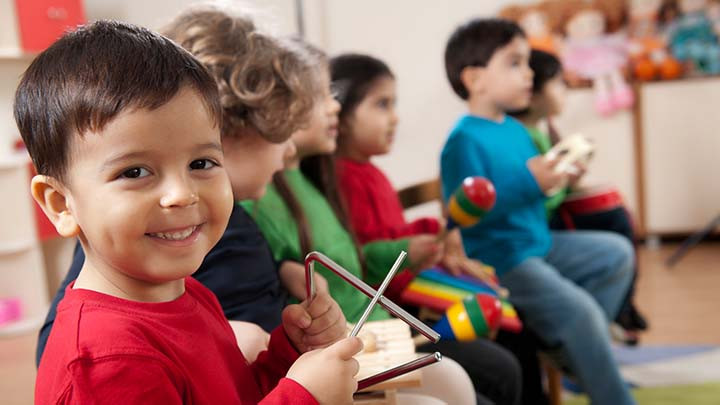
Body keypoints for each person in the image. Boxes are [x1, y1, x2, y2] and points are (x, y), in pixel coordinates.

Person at [20, 20, 358, 404]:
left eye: (201, 163)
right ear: (61, 204)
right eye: (134, 172)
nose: (181, 194)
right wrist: (303, 397)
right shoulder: (108, 363)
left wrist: (291, 356)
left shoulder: (187, 293)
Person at [245, 44, 521, 405]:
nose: (334, 107)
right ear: (273, 112)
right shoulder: (265, 198)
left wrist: (412, 247)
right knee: (494, 371)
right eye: (320, 96)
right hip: (357, 339)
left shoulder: (314, 182)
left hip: (380, 324)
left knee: (491, 363)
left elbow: (354, 262)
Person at [440, 18, 636, 405]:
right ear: (475, 79)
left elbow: (533, 192)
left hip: (538, 244)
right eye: (515, 63)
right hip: (503, 259)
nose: (528, 73)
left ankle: (568, 352)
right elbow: (466, 215)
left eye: (528, 63)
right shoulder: (462, 141)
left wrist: (559, 177)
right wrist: (532, 182)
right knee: (583, 316)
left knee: (617, 254)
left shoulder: (514, 129)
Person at [508, 49, 648, 341]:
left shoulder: (541, 130)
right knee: (616, 221)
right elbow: (538, 198)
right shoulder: (523, 136)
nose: (565, 90)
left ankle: (616, 309)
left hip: (546, 221)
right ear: (532, 94)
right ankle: (611, 313)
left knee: (616, 216)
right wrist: (563, 181)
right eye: (558, 83)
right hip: (540, 228)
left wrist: (570, 179)